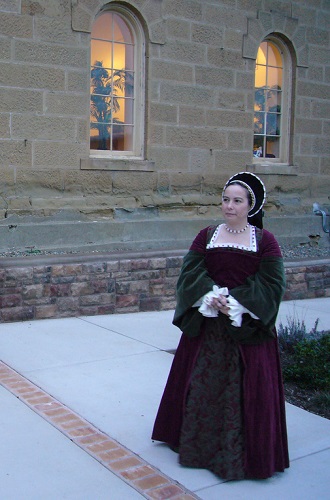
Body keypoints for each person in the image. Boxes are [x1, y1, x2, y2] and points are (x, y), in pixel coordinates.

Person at [151, 171, 289, 480]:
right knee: (201, 386)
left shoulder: (265, 241)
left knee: (244, 393)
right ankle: (196, 446)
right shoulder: (207, 235)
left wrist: (238, 302)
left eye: (237, 201)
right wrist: (209, 295)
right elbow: (189, 273)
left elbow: (273, 284)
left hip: (247, 330)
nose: (229, 206)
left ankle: (241, 454)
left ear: (250, 205)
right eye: (225, 199)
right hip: (209, 327)